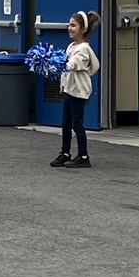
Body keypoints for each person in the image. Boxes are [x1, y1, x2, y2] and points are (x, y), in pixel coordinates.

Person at [49, 11, 101, 169]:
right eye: (69, 25)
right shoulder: (71, 46)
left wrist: (59, 64)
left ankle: (83, 156)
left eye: (73, 25)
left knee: (77, 124)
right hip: (68, 89)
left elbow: (73, 64)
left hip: (78, 91)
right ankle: (65, 153)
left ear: (83, 29)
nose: (69, 28)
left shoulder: (83, 49)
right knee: (66, 123)